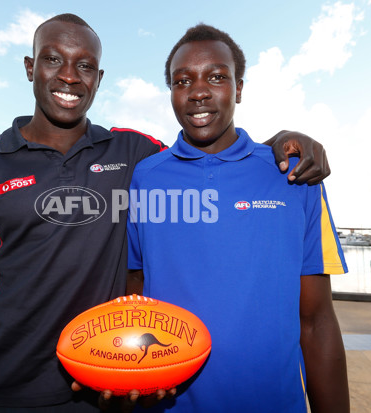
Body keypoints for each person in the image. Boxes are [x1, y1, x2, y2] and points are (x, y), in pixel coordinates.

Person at [0, 14, 333, 412]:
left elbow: (217, 160)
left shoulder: (131, 154)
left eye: (85, 65)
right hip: (2, 391)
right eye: (52, 59)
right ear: (30, 67)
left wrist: (281, 144)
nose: (69, 76)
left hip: (102, 388)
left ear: (98, 79)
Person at [127, 24, 349, 412]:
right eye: (183, 81)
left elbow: (316, 322)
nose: (198, 92)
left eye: (216, 77)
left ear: (239, 88)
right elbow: (134, 296)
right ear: (172, 94)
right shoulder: (146, 178)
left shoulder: (293, 175)